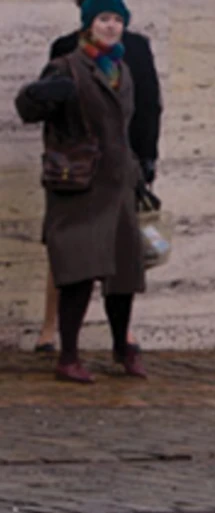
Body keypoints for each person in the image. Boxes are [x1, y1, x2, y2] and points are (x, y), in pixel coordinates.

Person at [15, 0, 148, 383]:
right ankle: (68, 357)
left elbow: (128, 126)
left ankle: (123, 350)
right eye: (104, 19)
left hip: (119, 183)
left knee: (123, 271)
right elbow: (28, 107)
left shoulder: (122, 70)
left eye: (117, 20)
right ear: (88, 25)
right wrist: (39, 93)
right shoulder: (67, 67)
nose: (111, 26)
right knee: (77, 272)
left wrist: (141, 170)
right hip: (79, 184)